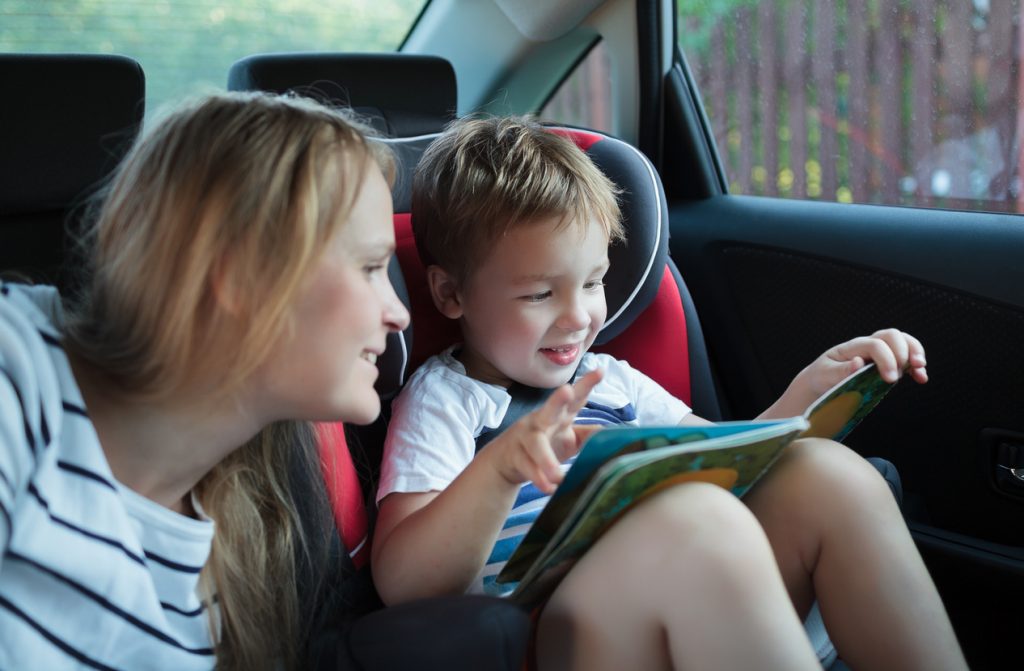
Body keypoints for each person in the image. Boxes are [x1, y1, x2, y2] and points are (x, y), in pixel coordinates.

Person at [372, 115, 969, 670]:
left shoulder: (616, 383)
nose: (579, 316)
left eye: (594, 281)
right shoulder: (444, 401)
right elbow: (404, 583)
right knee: (695, 516)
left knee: (824, 471)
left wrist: (812, 389)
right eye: (538, 295)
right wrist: (501, 470)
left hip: (685, 594)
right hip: (552, 634)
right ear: (451, 295)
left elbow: (729, 460)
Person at [0, 91, 530, 671]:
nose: (398, 313)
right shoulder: (18, 367)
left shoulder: (236, 551)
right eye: (371, 268)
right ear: (240, 277)